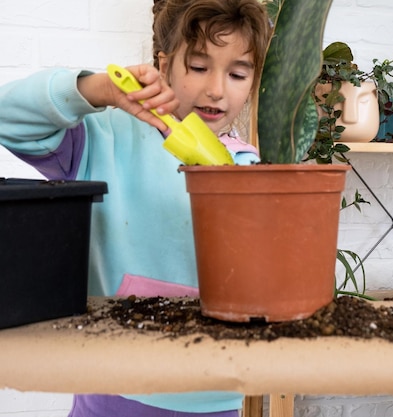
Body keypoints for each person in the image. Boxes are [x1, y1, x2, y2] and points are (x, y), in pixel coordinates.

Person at [0, 0, 271, 416]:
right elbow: (8, 117)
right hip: (112, 388)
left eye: (237, 73)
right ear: (163, 65)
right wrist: (98, 89)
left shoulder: (249, 165)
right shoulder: (99, 138)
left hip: (214, 394)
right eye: (198, 67)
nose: (217, 88)